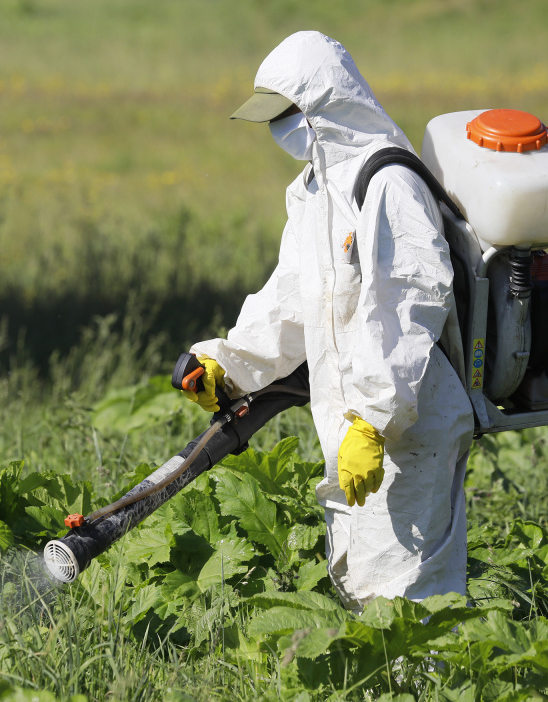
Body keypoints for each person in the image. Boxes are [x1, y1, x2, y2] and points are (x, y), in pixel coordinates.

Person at [180, 31, 475, 610]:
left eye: (284, 115)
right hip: (352, 429)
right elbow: (294, 298)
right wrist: (229, 361)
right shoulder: (316, 188)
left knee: (409, 597)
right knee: (358, 583)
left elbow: (408, 304)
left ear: (323, 105)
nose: (277, 131)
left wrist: (373, 418)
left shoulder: (388, 181)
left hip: (409, 422)